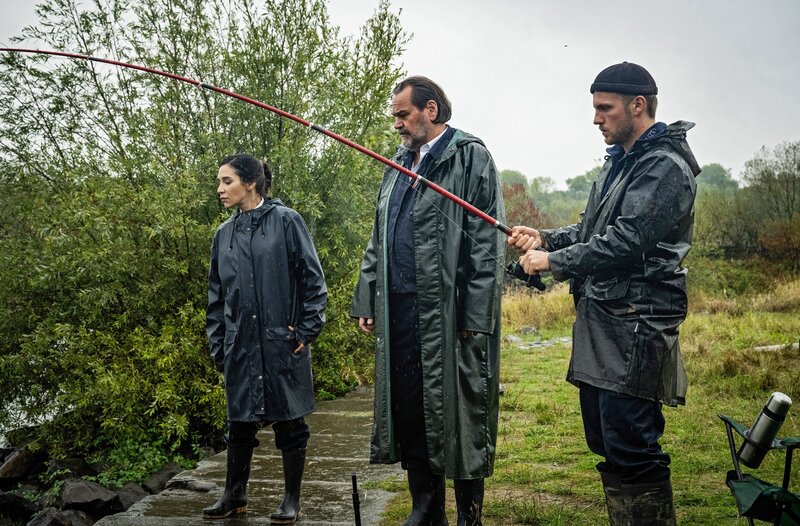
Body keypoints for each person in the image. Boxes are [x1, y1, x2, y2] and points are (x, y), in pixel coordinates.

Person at [508, 62, 700, 526]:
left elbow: (629, 240)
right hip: (603, 322)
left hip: (637, 324)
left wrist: (552, 262)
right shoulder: (622, 163)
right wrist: (548, 238)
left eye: (604, 108)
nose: (596, 119)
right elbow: (594, 230)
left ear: (638, 105)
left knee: (632, 444)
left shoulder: (664, 167)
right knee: (606, 440)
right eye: (595, 108)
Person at [350, 76, 505, 525]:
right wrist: (368, 298)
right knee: (411, 406)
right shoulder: (395, 163)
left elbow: (485, 244)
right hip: (398, 311)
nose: (397, 124)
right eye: (395, 116)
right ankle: (425, 507)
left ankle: (469, 515)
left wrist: (476, 316)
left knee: (461, 412)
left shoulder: (470, 157)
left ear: (430, 110)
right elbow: (378, 235)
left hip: (451, 314)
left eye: (403, 114)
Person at [204, 154, 327, 522]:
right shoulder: (222, 235)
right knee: (238, 424)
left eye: (227, 181)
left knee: (291, 425)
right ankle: (233, 495)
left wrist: (306, 329)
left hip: (281, 342)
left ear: (251, 183)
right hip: (239, 346)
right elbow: (216, 298)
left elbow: (313, 281)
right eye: (220, 182)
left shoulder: (287, 222)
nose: (220, 189)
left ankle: (291, 499)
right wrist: (219, 345)